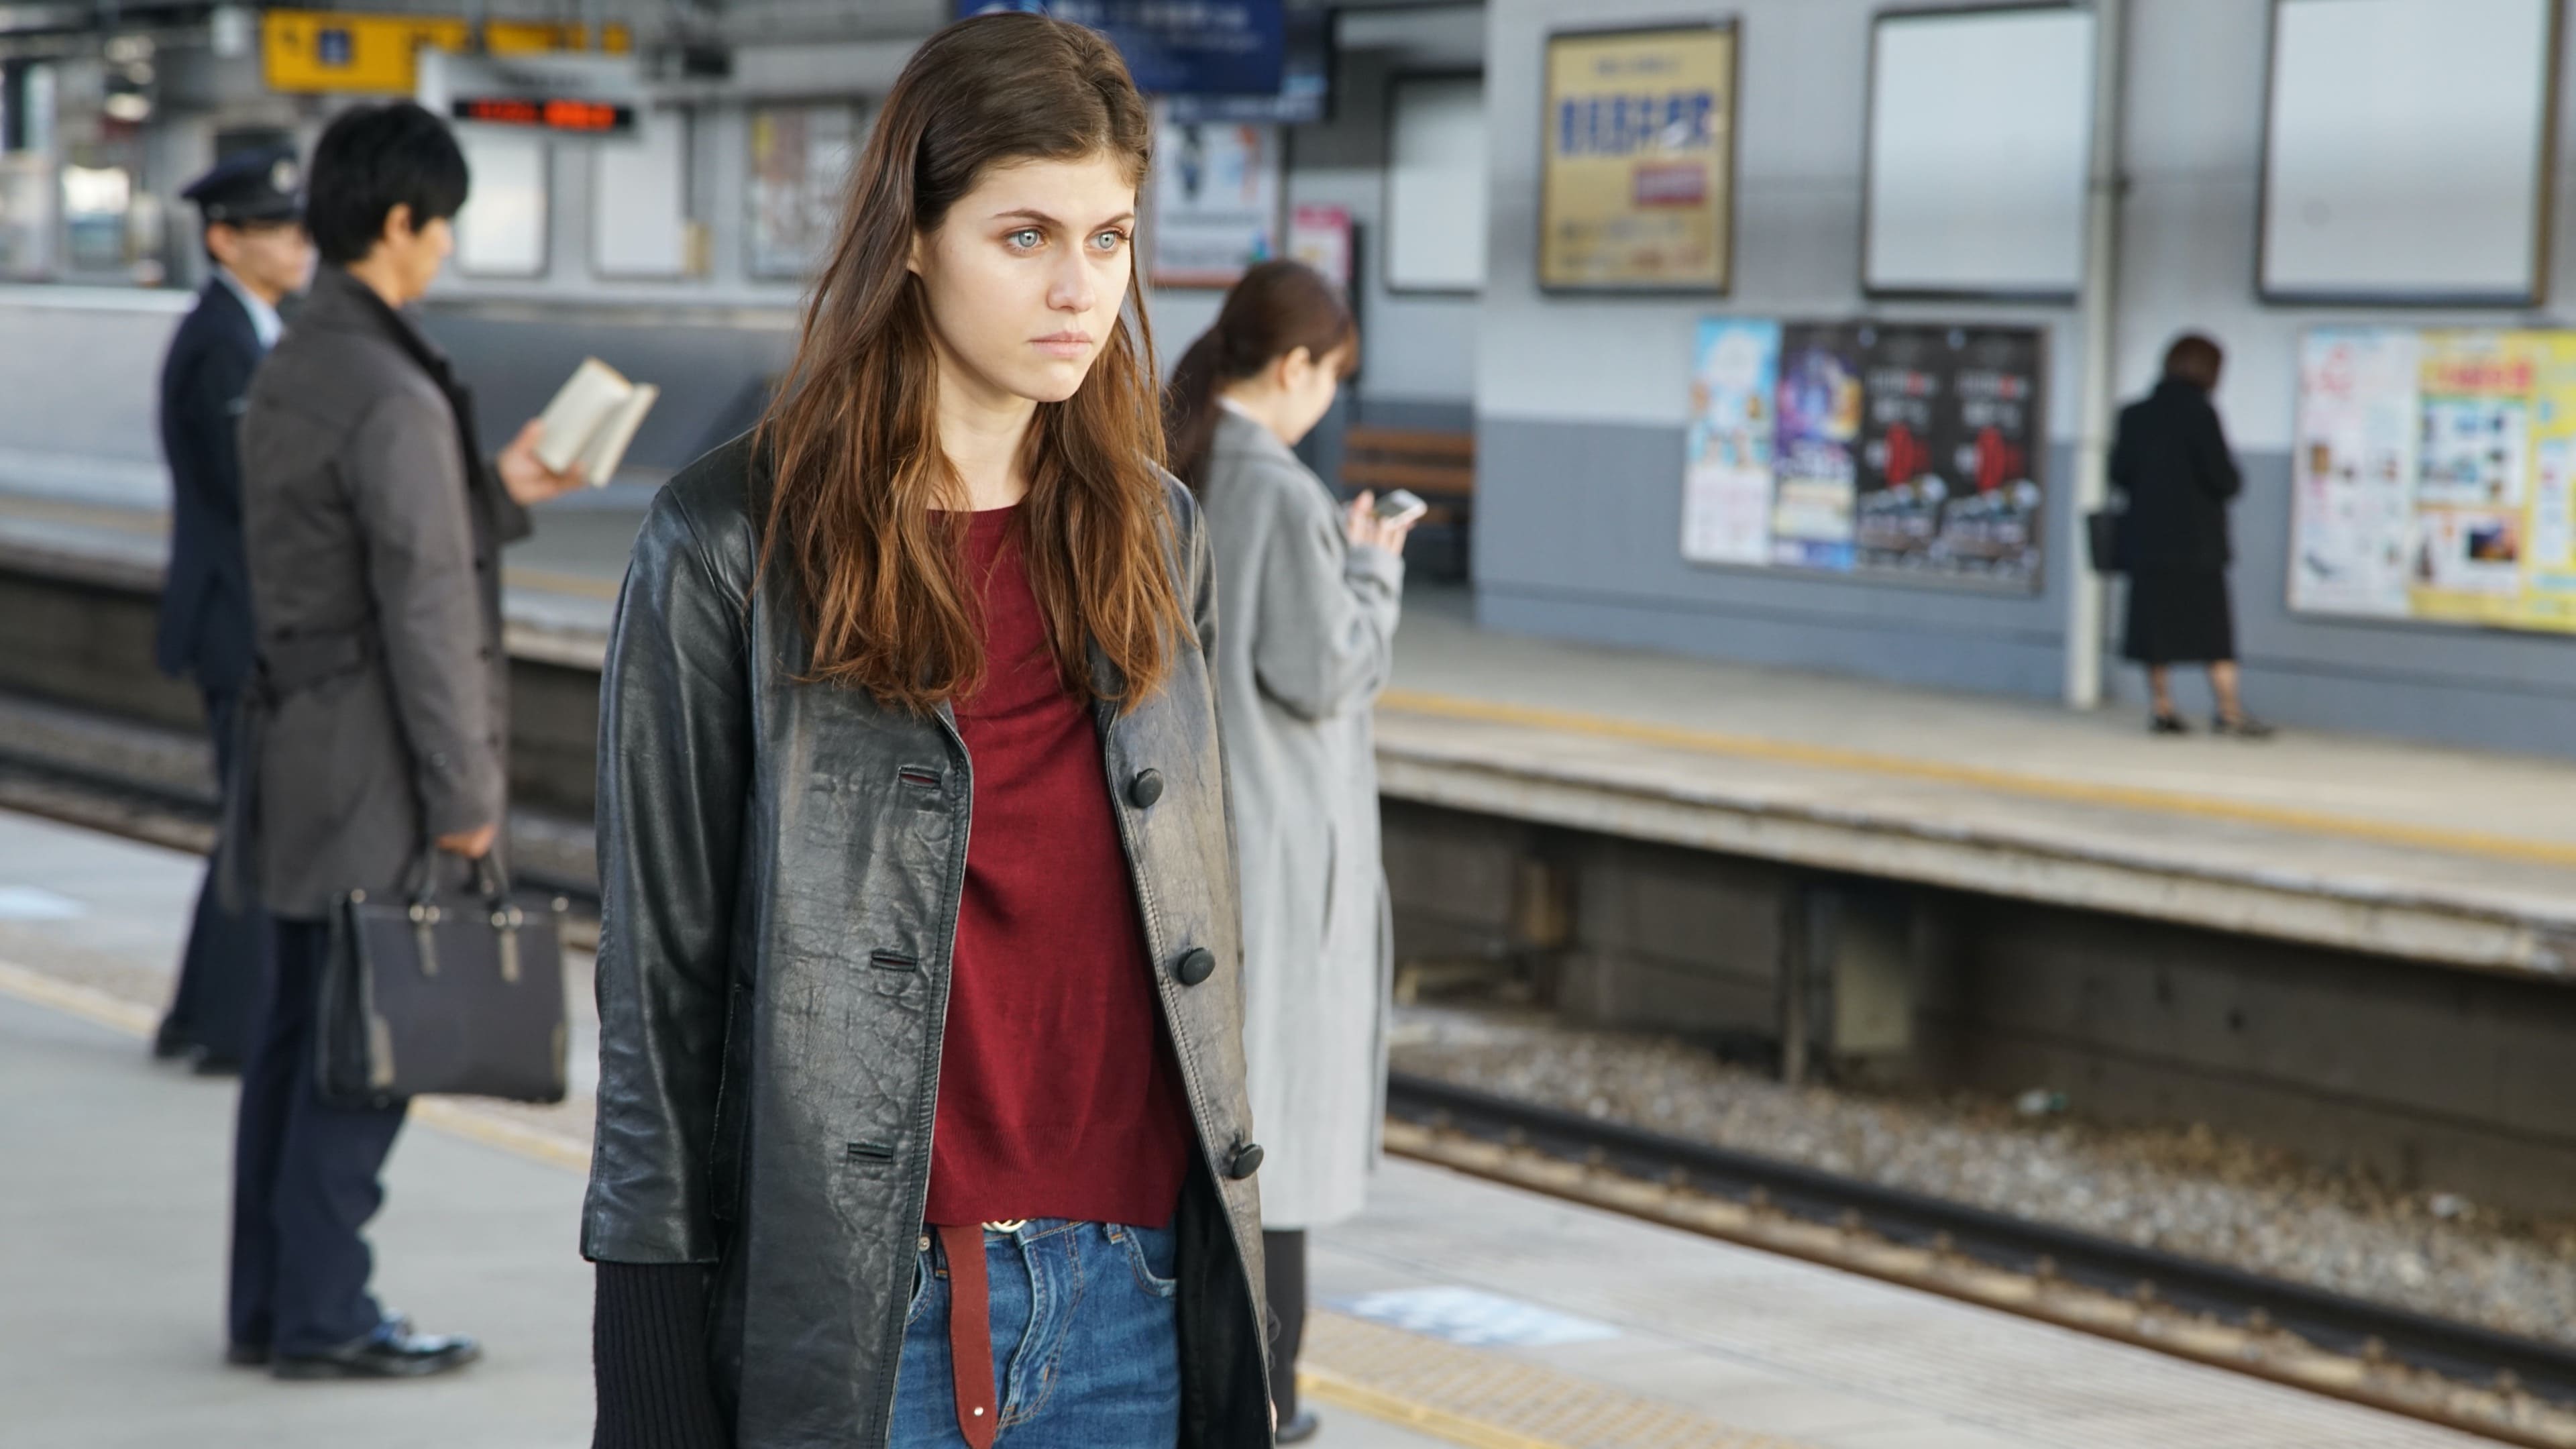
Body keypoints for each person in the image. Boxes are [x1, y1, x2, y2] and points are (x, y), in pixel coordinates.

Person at [582, 14, 1271, 1449]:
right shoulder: (730, 545)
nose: (1080, 288)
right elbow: (661, 988)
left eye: (1110, 238)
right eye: (1025, 236)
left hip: (1137, 1298)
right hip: (865, 1317)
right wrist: (647, 1371)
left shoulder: (1157, 533)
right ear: (911, 235)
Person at [227, 101, 583, 1380]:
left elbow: (364, 546)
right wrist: (467, 795)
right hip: (379, 764)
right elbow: (427, 606)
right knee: (364, 1054)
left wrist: (499, 494)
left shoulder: (303, 355)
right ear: (397, 222)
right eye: (440, 227)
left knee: (293, 1038)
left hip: (299, 747)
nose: (443, 249)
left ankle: (271, 1305)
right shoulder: (392, 388)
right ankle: (328, 1317)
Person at [1167, 260, 1409, 1444]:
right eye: (1331, 374)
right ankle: (1270, 1405)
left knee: (1216, 1135)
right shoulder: (1275, 485)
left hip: (1201, 837)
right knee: (1280, 1152)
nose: (1329, 397)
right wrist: (1374, 564)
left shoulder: (1183, 464)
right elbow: (1327, 671)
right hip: (1277, 861)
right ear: (1297, 365)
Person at [148, 146, 312, 1073]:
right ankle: (223, 1030)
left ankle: (195, 1017)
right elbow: (252, 490)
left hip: (239, 615)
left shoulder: (252, 329)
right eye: (276, 231)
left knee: (248, 824)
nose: (297, 246)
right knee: (256, 826)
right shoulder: (220, 341)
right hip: (236, 619)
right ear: (224, 240)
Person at [2112, 333, 2271, 738]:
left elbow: (2119, 475)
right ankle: (2228, 711)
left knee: (2154, 628)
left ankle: (2162, 708)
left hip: (2147, 542)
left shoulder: (2133, 415)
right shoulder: (2202, 414)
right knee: (2214, 631)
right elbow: (2224, 479)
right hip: (2197, 545)